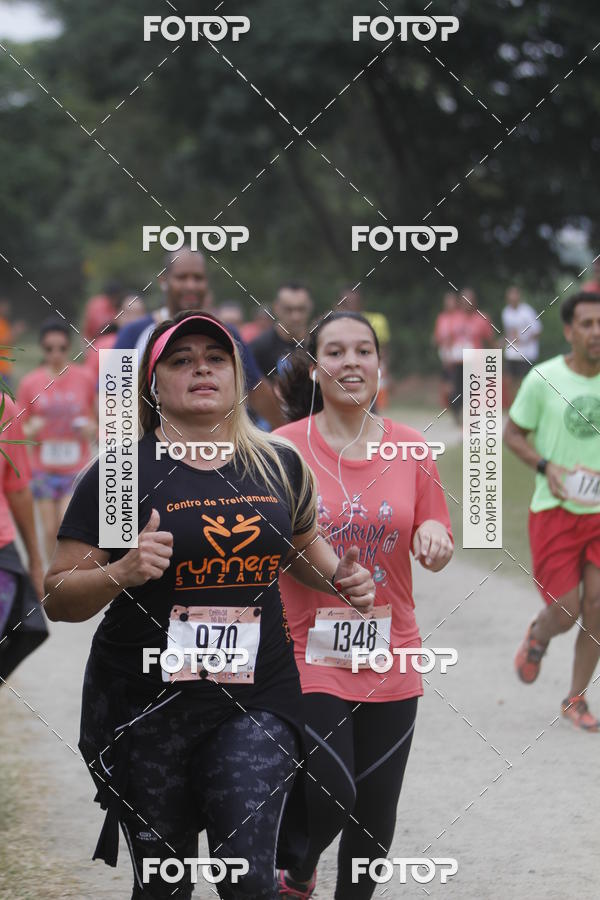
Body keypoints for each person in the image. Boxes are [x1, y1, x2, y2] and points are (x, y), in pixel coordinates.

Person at [44, 311, 376, 899]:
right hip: (144, 707)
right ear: (155, 384)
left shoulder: (278, 464)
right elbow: (57, 597)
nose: (201, 367)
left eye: (216, 357)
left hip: (254, 699)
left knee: (248, 878)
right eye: (181, 359)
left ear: (238, 376)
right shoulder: (123, 474)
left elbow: (300, 551)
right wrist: (121, 572)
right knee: (165, 886)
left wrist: (340, 579)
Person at [274, 311, 453, 899]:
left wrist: (434, 538)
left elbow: (434, 525)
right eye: (336, 351)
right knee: (332, 791)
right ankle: (298, 871)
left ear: (381, 364)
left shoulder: (412, 448)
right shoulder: (282, 451)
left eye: (364, 351)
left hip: (392, 652)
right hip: (306, 649)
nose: (352, 361)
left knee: (374, 816)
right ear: (314, 366)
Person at [505, 291, 600, 732]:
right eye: (587, 324)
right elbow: (513, 433)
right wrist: (547, 465)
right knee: (566, 610)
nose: (596, 332)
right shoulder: (544, 379)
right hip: (555, 512)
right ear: (569, 331)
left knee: (597, 606)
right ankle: (538, 635)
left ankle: (576, 698)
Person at [113, 247, 284, 428]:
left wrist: (287, 439)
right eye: (182, 277)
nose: (191, 285)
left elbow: (258, 392)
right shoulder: (132, 334)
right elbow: (110, 400)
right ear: (163, 280)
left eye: (198, 278)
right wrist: (128, 453)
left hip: (216, 450)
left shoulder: (228, 334)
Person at [17, 319, 97, 563]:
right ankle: (52, 576)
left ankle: (67, 571)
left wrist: (90, 429)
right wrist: (33, 428)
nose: (56, 354)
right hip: (43, 468)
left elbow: (97, 420)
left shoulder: (84, 377)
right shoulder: (30, 382)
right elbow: (19, 429)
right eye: (49, 349)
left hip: (75, 466)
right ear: (42, 349)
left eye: (61, 348)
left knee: (65, 522)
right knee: (49, 528)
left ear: (68, 347)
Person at [0, 393, 48, 683]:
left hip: (1, 556)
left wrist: (35, 561)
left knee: (22, 634)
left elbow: (17, 488)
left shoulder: (4, 407)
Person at [338, 288, 392, 410]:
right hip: (341, 373)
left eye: (354, 302)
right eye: (347, 303)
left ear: (361, 303)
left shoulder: (376, 321)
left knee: (370, 405)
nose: (351, 307)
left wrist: (385, 369)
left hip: (366, 372)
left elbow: (383, 349)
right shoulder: (332, 325)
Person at [250, 284, 314, 381]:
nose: (295, 317)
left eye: (301, 309)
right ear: (276, 308)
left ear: (310, 307)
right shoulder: (258, 348)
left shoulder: (318, 345)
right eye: (288, 309)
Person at [501, 286, 542, 405]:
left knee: (522, 381)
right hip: (512, 352)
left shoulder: (527, 311)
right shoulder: (506, 312)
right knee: (509, 380)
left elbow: (537, 331)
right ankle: (514, 406)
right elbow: (509, 331)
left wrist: (524, 340)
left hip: (526, 353)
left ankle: (524, 405)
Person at [432, 291, 460, 409]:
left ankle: (458, 406)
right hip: (445, 355)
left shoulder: (460, 317)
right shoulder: (441, 318)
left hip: (458, 356)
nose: (449, 304)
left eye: (451, 301)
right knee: (448, 384)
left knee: (456, 383)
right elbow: (437, 336)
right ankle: (453, 407)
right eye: (447, 301)